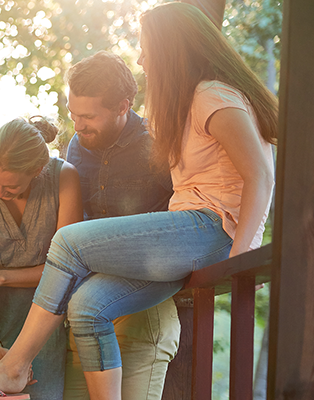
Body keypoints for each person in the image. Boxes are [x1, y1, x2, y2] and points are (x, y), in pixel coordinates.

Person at [0, 2, 277, 399]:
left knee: (68, 242)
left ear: (173, 48)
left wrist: (241, 261)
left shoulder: (212, 95)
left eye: (146, 47)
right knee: (86, 307)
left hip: (210, 227)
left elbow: (261, 173)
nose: (140, 57)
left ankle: (14, 366)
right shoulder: (187, 102)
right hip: (185, 236)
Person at [63, 51, 179, 399]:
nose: (77, 125)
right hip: (85, 313)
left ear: (123, 106)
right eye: (72, 114)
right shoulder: (77, 146)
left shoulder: (159, 145)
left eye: (87, 116)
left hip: (142, 312)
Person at [0, 116, 82, 400]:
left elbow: (67, 269)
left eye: (10, 188)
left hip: (41, 319)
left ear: (37, 171)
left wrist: (5, 276)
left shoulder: (64, 178)